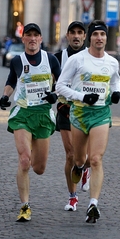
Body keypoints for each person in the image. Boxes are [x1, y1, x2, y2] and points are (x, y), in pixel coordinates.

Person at [56, 19, 120, 223]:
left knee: (95, 159)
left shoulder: (112, 61)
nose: (99, 38)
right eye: (95, 34)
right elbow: (60, 87)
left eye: (102, 34)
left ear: (106, 38)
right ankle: (78, 168)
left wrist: (117, 92)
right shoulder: (77, 60)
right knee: (79, 159)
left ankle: (93, 204)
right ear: (90, 38)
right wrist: (82, 97)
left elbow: (115, 79)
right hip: (79, 114)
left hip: (101, 113)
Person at [0, 23, 61, 222]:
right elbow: (11, 81)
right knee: (24, 160)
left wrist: (55, 95)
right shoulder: (17, 60)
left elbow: (62, 83)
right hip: (23, 113)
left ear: (41, 39)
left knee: (39, 168)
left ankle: (34, 150)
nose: (32, 39)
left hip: (42, 114)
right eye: (28, 35)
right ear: (23, 38)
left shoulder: (50, 60)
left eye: (36, 35)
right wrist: (5, 96)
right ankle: (25, 206)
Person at [54, 21, 90, 212]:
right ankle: (73, 197)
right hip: (65, 110)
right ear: (67, 35)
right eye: (73, 33)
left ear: (85, 36)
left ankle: (84, 169)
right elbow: (49, 83)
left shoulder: (92, 57)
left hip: (87, 112)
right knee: (70, 155)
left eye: (80, 33)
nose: (76, 36)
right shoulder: (57, 58)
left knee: (88, 157)